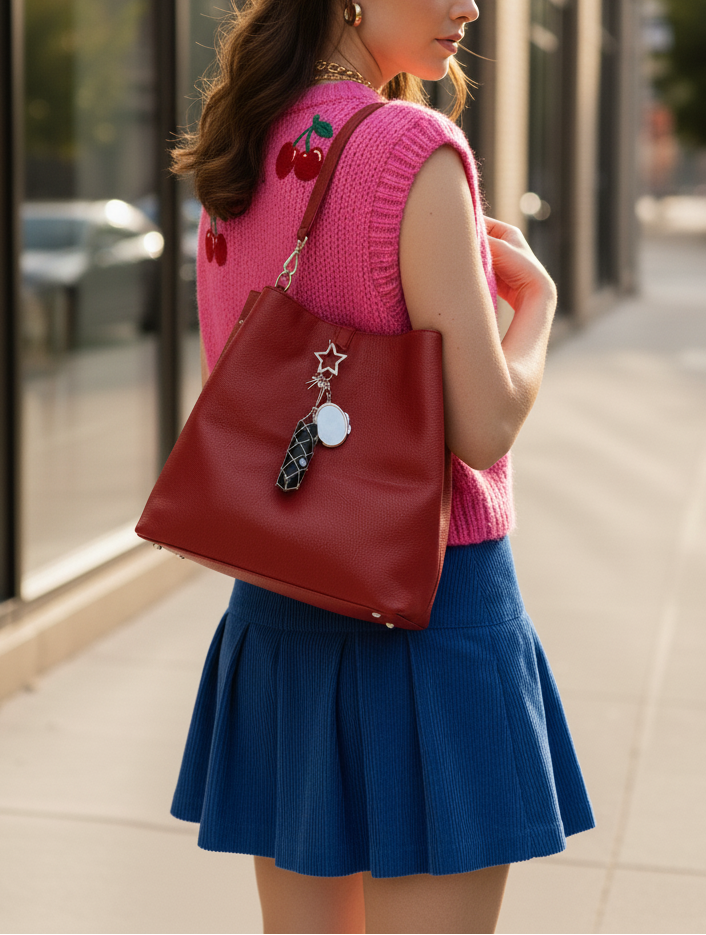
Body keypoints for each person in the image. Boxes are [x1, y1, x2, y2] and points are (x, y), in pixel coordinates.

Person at [170, 1, 595, 932]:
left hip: (282, 606)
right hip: (435, 612)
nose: (471, 8)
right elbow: (483, 427)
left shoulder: (239, 142)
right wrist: (538, 309)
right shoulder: (412, 147)